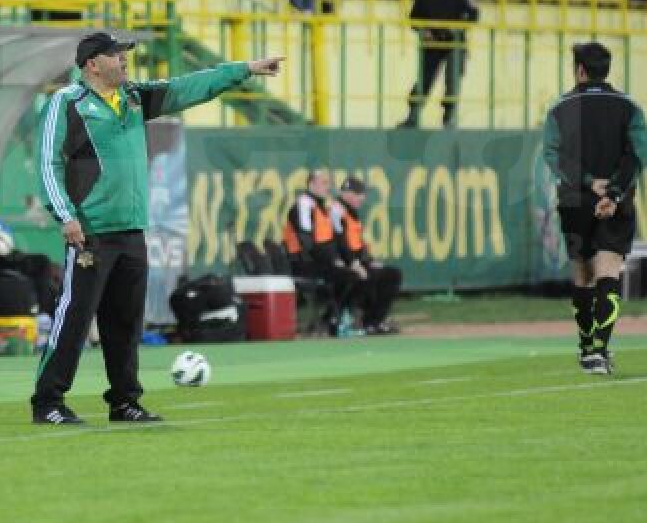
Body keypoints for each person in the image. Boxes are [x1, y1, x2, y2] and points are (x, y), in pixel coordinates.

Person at [32, 31, 282, 425]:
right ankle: (47, 402)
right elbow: (49, 164)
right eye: (117, 54)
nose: (125, 60)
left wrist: (244, 70)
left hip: (132, 229)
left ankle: (124, 402)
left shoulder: (132, 97)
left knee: (126, 322)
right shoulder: (66, 102)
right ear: (92, 64)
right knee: (75, 317)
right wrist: (65, 215)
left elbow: (187, 88)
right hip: (90, 231)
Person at [542, 43, 647, 375]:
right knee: (608, 270)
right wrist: (613, 192)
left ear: (579, 70)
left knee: (583, 273)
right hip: (617, 201)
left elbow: (554, 156)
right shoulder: (630, 107)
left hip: (575, 201)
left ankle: (586, 346)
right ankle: (600, 352)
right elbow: (636, 155)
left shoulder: (560, 108)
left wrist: (589, 183)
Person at [398, 0, 479, 129]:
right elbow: (414, 18)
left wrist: (455, 29)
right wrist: (423, 31)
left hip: (453, 44)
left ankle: (449, 117)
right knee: (424, 79)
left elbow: (473, 15)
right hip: (432, 43)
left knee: (452, 81)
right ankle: (413, 116)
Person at [283, 170, 365, 336]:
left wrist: (338, 259)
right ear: (311, 184)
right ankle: (332, 319)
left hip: (319, 260)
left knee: (351, 275)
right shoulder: (305, 204)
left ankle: (334, 318)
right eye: (323, 183)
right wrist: (332, 261)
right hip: (303, 262)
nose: (327, 187)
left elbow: (330, 240)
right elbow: (306, 241)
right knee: (347, 276)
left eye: (328, 183)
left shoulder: (320, 207)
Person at [330, 177, 401, 335]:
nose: (363, 197)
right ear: (347, 194)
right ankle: (350, 320)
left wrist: (368, 260)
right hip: (342, 263)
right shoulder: (336, 210)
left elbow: (357, 244)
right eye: (359, 193)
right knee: (366, 276)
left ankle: (374, 321)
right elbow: (338, 241)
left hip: (356, 261)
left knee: (392, 274)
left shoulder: (352, 212)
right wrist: (354, 263)